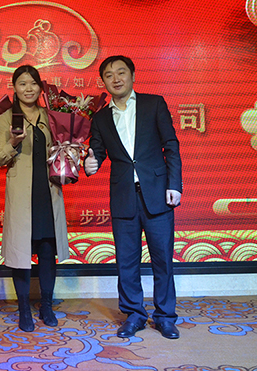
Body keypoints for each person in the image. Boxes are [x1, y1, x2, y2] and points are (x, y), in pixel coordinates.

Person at [84, 55, 183, 340]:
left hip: (158, 194)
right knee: (126, 261)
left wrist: (174, 184)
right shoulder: (100, 118)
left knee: (162, 260)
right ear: (103, 82)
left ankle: (165, 317)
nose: (116, 79)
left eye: (121, 72)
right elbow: (96, 152)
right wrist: (90, 164)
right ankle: (134, 315)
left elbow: (171, 145)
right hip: (123, 197)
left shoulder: (154, 104)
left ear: (132, 76)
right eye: (109, 75)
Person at [0, 65, 69, 332]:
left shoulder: (51, 115)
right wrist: (13, 143)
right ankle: (24, 308)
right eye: (22, 83)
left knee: (47, 252)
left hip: (48, 193)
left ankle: (46, 305)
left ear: (40, 87)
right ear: (14, 87)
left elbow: (61, 147)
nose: (28, 89)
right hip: (22, 195)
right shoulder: (6, 118)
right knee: (20, 254)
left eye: (33, 83)